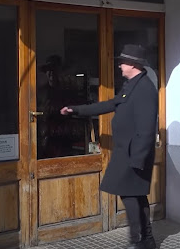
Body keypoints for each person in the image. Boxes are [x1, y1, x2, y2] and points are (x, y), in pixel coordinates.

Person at [61, 44, 158, 249]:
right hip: (126, 151)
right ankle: (146, 241)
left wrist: (138, 159)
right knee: (135, 195)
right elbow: (110, 104)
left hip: (133, 153)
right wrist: (77, 109)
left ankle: (138, 241)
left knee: (131, 194)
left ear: (133, 64)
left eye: (122, 62)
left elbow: (147, 129)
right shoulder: (132, 84)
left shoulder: (145, 89)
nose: (120, 66)